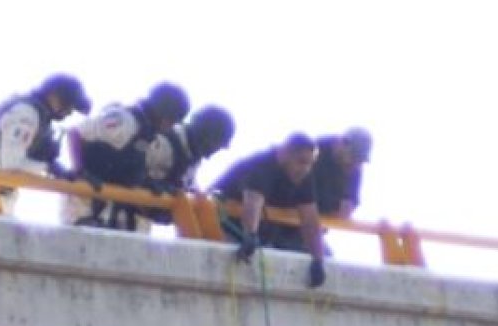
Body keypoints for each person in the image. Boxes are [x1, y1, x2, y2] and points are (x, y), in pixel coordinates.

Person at [64, 82, 191, 230]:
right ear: (163, 114)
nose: (170, 126)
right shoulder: (124, 121)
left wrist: (146, 182)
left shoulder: (148, 134)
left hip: (108, 203)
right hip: (83, 200)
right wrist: (79, 170)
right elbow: (76, 132)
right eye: (172, 120)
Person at [212, 133, 327, 288]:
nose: (305, 169)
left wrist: (318, 260)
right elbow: (252, 202)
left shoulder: (302, 176)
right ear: (284, 154)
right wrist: (250, 235)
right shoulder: (262, 165)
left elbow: (310, 219)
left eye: (310, 164)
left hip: (260, 228)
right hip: (224, 222)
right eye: (301, 162)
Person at [0, 75, 91, 212]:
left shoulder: (41, 118)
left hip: (0, 194)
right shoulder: (26, 114)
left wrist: (67, 173)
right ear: (53, 97)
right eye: (68, 104)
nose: (70, 112)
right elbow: (11, 164)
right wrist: (48, 168)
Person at [132, 105, 236, 232]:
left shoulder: (192, 154)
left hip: (141, 222)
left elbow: (185, 185)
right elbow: (128, 169)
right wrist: (147, 182)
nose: (219, 149)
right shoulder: (164, 144)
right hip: (121, 215)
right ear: (205, 136)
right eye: (218, 142)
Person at [312, 127, 372, 218]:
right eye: (353, 156)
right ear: (341, 143)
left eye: (359, 160)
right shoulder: (314, 150)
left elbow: (350, 200)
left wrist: (346, 209)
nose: (355, 164)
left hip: (320, 222)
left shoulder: (355, 169)